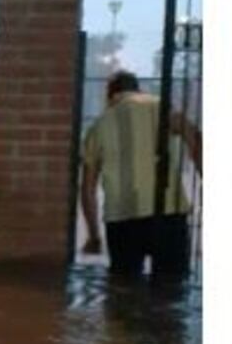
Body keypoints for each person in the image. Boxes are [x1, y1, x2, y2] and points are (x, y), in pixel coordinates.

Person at [81, 70, 202, 278]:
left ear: (110, 95)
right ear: (138, 89)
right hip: (168, 214)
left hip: (121, 219)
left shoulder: (99, 125)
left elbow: (87, 189)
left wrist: (94, 236)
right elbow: (195, 139)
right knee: (172, 287)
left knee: (124, 288)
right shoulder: (161, 107)